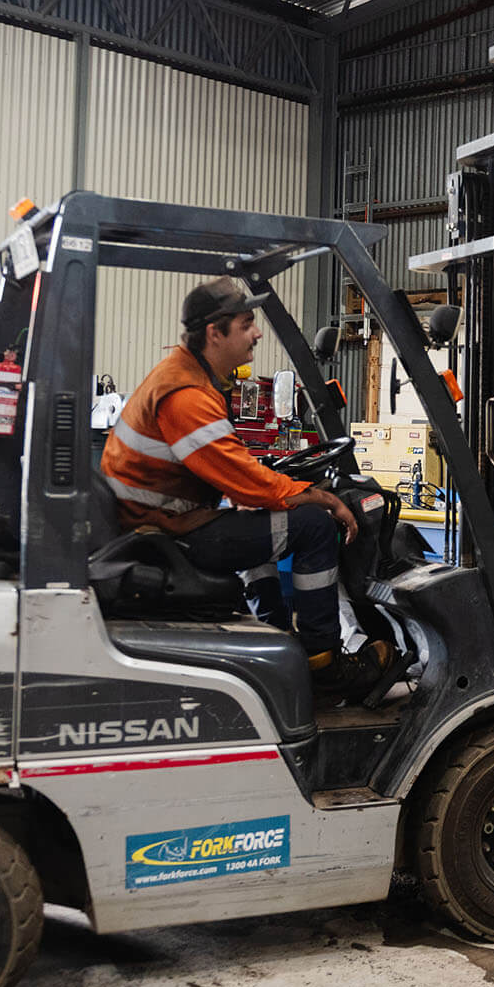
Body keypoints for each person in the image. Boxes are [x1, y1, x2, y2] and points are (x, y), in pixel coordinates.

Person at [101, 277, 385, 698]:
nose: (256, 334)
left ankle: (272, 635)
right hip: (162, 537)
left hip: (165, 527)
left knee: (261, 516)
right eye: (247, 323)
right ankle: (324, 662)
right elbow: (247, 479)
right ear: (215, 333)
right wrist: (321, 496)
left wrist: (269, 489)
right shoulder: (186, 394)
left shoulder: (191, 378)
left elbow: (234, 471)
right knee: (313, 527)